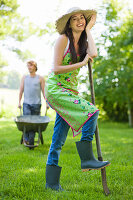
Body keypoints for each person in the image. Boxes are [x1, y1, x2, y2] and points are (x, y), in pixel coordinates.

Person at [45, 7, 110, 190]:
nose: (80, 21)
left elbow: (94, 53)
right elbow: (56, 68)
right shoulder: (63, 39)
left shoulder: (82, 42)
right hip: (56, 90)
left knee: (58, 140)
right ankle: (87, 159)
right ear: (69, 23)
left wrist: (88, 30)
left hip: (70, 92)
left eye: (82, 18)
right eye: (75, 19)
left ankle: (51, 184)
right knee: (92, 111)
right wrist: (81, 63)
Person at [18, 60, 48, 148]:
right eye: (28, 66)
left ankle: (29, 139)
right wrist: (19, 102)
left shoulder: (40, 78)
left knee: (34, 123)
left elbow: (44, 92)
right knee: (27, 122)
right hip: (26, 103)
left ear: (35, 67)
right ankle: (27, 139)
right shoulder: (24, 78)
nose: (29, 67)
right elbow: (21, 91)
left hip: (36, 104)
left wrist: (47, 103)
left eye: (30, 66)